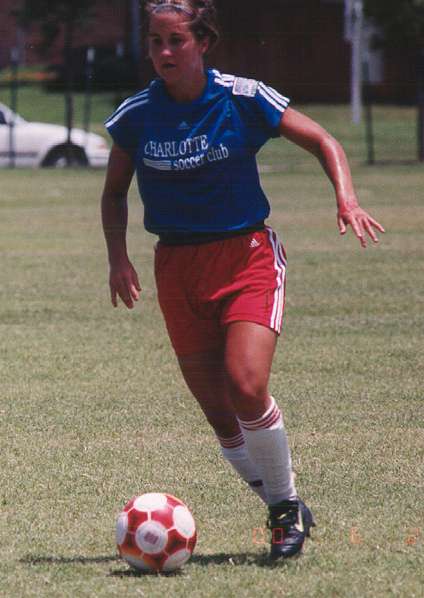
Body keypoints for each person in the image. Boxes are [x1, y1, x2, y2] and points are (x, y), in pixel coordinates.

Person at [101, 0, 384, 561]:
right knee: (219, 411)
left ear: (204, 42)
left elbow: (324, 140)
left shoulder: (242, 97)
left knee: (246, 385)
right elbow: (113, 193)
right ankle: (281, 500)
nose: (164, 51)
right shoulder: (137, 114)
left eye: (176, 40)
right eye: (155, 41)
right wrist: (118, 259)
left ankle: (284, 509)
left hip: (246, 258)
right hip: (176, 266)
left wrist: (347, 199)